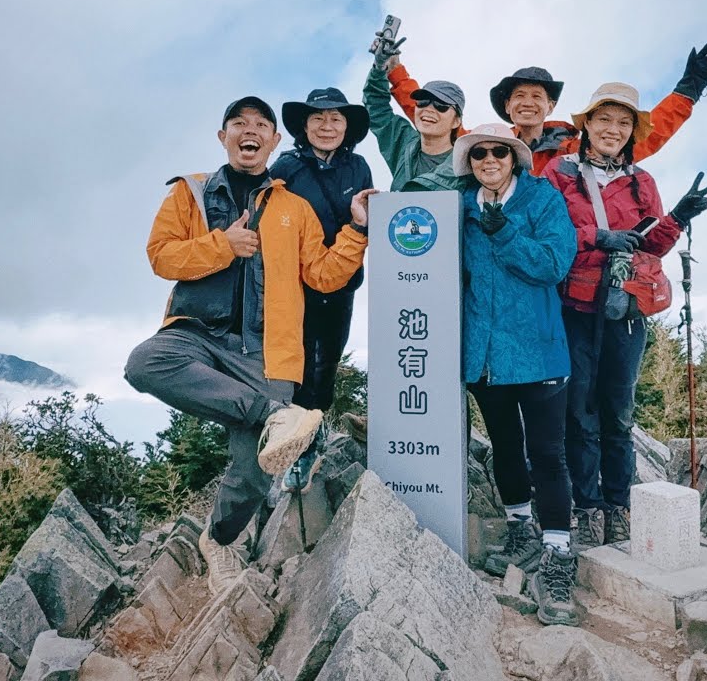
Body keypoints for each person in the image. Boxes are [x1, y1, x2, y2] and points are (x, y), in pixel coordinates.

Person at [124, 96, 375, 596]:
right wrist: (223, 245)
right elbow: (161, 257)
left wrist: (357, 229)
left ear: (275, 141)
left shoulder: (294, 208)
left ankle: (218, 540)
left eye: (261, 124)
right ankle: (274, 415)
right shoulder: (190, 193)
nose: (250, 130)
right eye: (239, 123)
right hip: (197, 335)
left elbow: (324, 276)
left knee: (257, 468)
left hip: (268, 351)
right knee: (145, 362)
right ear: (224, 137)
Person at [542, 83, 707, 551]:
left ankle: (618, 507)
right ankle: (588, 508)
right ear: (586, 125)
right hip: (575, 309)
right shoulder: (559, 173)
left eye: (623, 123)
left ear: (631, 132)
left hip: (626, 312)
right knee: (579, 413)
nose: (613, 130)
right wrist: (598, 237)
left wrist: (678, 216)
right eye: (604, 119)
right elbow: (551, 232)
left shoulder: (643, 182)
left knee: (619, 414)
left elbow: (653, 246)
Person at [456, 123, 580, 626]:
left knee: (548, 453)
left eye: (499, 152)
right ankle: (519, 530)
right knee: (505, 447)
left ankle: (558, 553)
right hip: (484, 355)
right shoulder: (460, 206)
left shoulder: (542, 199)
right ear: (470, 162)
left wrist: (504, 232)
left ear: (515, 158)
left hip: (538, 352)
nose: (489, 160)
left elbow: (554, 263)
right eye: (479, 153)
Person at [374, 32, 707, 175]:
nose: (527, 103)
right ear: (507, 107)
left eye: (537, 97)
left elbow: (641, 139)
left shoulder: (572, 149)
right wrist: (395, 71)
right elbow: (438, 118)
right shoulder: (489, 147)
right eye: (519, 96)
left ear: (551, 106)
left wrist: (688, 89)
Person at [270, 88, 373, 493]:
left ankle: (314, 434)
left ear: (347, 127)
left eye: (335, 119)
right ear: (305, 125)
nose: (327, 126)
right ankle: (297, 449)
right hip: (294, 284)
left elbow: (366, 218)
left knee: (327, 360)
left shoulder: (359, 167)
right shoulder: (285, 168)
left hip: (342, 279)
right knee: (297, 366)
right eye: (318, 118)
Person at [363, 39, 466, 191]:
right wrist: (379, 67)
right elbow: (377, 108)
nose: (429, 109)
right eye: (423, 101)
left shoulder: (469, 163)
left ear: (456, 121)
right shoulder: (403, 144)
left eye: (441, 106)